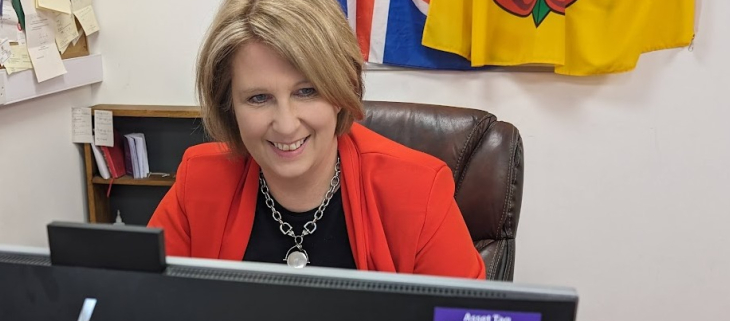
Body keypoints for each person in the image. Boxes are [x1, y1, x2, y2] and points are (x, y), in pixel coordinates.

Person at [148, 0, 485, 279]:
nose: (286, 124)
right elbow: (147, 306)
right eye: (258, 98)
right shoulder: (200, 181)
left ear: (341, 90)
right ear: (228, 106)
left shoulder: (418, 190)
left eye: (306, 91)